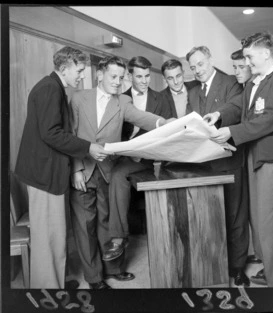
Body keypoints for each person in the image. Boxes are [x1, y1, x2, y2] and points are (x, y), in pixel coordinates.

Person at [70, 56, 171, 289]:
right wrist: (75, 170)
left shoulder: (123, 101)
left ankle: (113, 270)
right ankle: (94, 279)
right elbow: (71, 134)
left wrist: (164, 123)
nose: (118, 82)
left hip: (107, 169)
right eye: (113, 76)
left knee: (106, 221)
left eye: (121, 77)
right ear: (100, 75)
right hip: (83, 169)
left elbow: (142, 117)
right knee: (85, 226)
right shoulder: (78, 98)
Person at [14, 46, 107, 289]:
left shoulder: (53, 87)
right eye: (78, 70)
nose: (81, 76)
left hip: (47, 171)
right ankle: (49, 291)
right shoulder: (49, 89)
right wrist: (89, 147)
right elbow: (52, 133)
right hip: (43, 173)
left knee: (54, 234)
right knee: (48, 237)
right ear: (64, 68)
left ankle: (55, 283)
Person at [204, 32, 273, 287]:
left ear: (266, 53)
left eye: (250, 57)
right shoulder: (254, 82)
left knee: (271, 225)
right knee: (258, 222)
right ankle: (272, 270)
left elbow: (272, 117)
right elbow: (239, 105)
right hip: (252, 157)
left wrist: (232, 131)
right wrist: (218, 115)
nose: (248, 62)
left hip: (271, 160)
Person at [186, 46, 250, 287]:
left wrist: (216, 114)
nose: (198, 70)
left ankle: (237, 268)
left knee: (235, 216)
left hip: (229, 161)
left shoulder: (231, 82)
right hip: (203, 165)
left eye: (201, 64)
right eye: (192, 67)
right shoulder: (192, 93)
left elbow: (235, 108)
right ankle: (216, 266)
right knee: (211, 218)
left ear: (210, 59)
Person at [102, 56, 173, 262]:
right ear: (129, 76)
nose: (144, 80)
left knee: (118, 175)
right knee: (116, 174)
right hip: (123, 157)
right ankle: (118, 237)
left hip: (150, 159)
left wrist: (143, 151)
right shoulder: (119, 98)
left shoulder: (162, 99)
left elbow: (166, 132)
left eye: (147, 76)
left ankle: (118, 238)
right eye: (139, 76)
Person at [231, 49, 262, 267]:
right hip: (242, 156)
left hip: (259, 156)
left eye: (242, 66)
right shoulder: (244, 89)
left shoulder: (262, 86)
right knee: (244, 210)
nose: (238, 71)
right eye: (235, 67)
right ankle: (253, 254)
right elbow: (234, 107)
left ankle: (263, 257)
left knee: (261, 210)